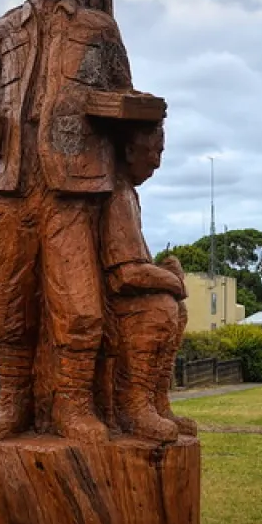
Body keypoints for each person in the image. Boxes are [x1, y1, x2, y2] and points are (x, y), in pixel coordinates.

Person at [0, 0, 163, 441]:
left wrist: (137, 121)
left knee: (78, 307)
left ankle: (74, 405)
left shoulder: (99, 28)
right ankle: (15, 405)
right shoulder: (3, 31)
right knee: (6, 304)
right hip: (9, 186)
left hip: (73, 186)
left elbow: (126, 105)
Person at [99, 123, 197, 442]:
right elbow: (125, 273)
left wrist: (165, 273)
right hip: (110, 301)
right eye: (152, 151)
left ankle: (157, 402)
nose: (156, 161)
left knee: (174, 310)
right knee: (160, 309)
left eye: (161, 152)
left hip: (121, 295)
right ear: (129, 151)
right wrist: (171, 280)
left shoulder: (128, 193)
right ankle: (133, 405)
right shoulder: (115, 193)